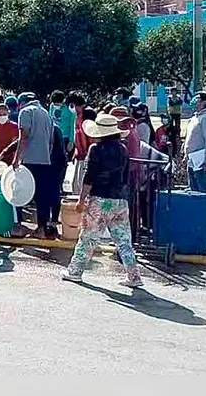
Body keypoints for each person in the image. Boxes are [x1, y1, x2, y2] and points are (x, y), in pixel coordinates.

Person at [62, 114, 143, 288]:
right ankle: (134, 275)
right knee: (123, 241)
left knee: (88, 238)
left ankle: (75, 271)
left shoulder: (96, 149)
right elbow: (125, 175)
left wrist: (81, 199)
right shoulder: (123, 149)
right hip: (120, 200)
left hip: (99, 199)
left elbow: (89, 176)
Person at [12, 92, 53, 238]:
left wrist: (17, 158)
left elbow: (24, 136)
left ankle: (18, 227)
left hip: (29, 160)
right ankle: (42, 228)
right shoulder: (46, 114)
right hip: (45, 160)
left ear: (22, 102)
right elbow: (50, 140)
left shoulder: (25, 112)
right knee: (42, 196)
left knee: (18, 192)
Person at [185, 91, 206, 194]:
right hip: (192, 159)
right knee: (193, 189)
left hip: (201, 160)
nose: (196, 102)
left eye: (198, 100)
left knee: (203, 190)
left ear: (205, 102)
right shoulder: (195, 117)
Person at [50, 91, 76, 159]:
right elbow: (50, 120)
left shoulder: (70, 109)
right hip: (54, 135)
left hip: (65, 137)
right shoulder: (52, 106)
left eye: (58, 104)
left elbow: (73, 125)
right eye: (55, 104)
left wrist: (71, 141)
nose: (57, 106)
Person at [167, 87, 184, 151]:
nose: (174, 92)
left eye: (175, 91)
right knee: (171, 124)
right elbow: (170, 103)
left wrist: (176, 102)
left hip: (177, 112)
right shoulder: (169, 97)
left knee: (178, 124)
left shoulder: (178, 97)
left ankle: (178, 135)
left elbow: (180, 102)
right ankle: (171, 134)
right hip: (172, 112)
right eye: (172, 91)